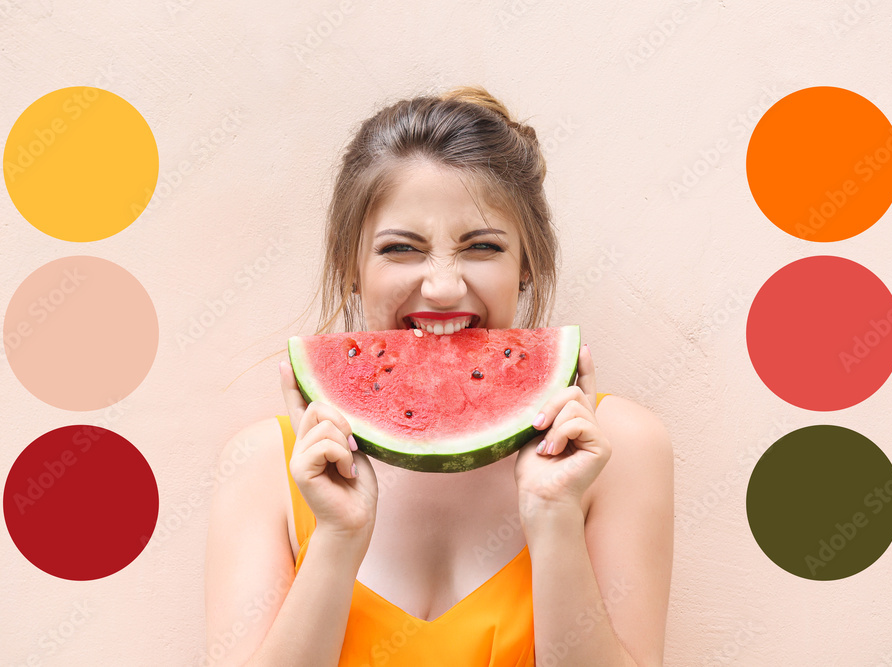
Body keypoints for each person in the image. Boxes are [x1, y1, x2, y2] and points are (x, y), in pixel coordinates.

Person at [204, 85, 674, 666]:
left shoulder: (617, 449)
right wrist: (336, 537)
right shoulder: (264, 468)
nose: (444, 286)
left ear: (526, 266)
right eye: (402, 249)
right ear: (351, 268)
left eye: (481, 247)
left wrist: (554, 517)